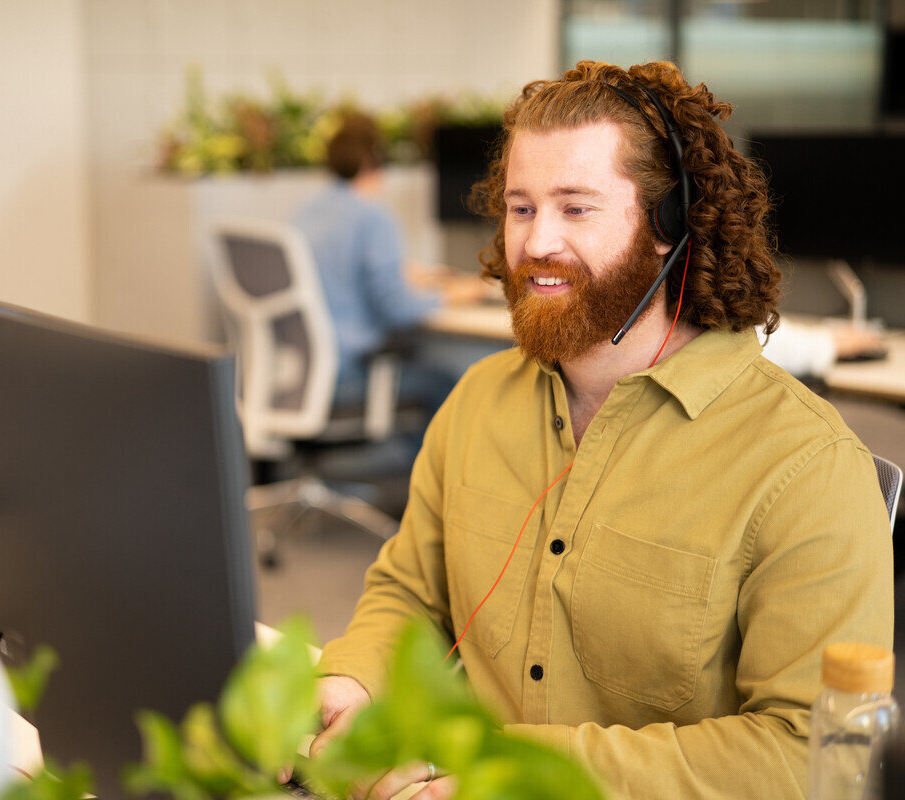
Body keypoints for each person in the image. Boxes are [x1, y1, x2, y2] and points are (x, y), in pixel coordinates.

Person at [306, 61, 893, 799]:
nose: (537, 242)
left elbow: (812, 758)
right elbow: (411, 591)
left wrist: (513, 773)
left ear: (667, 226)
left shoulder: (806, 467)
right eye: (521, 208)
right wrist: (354, 678)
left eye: (575, 208)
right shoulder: (479, 400)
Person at [294, 113, 489, 418]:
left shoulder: (308, 212)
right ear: (373, 161)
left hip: (302, 373)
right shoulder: (372, 217)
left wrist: (406, 276)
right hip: (349, 371)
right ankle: (419, 466)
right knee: (449, 383)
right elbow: (397, 308)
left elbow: (340, 275)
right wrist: (459, 293)